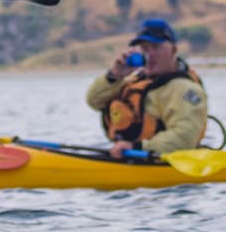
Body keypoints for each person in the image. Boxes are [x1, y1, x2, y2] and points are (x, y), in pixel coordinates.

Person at [86, 18, 207, 159]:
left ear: (173, 50)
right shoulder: (135, 80)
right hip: (129, 157)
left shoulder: (186, 89)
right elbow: (94, 101)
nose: (149, 55)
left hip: (161, 161)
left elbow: (184, 136)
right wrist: (114, 75)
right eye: (144, 48)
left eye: (155, 47)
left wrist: (138, 148)